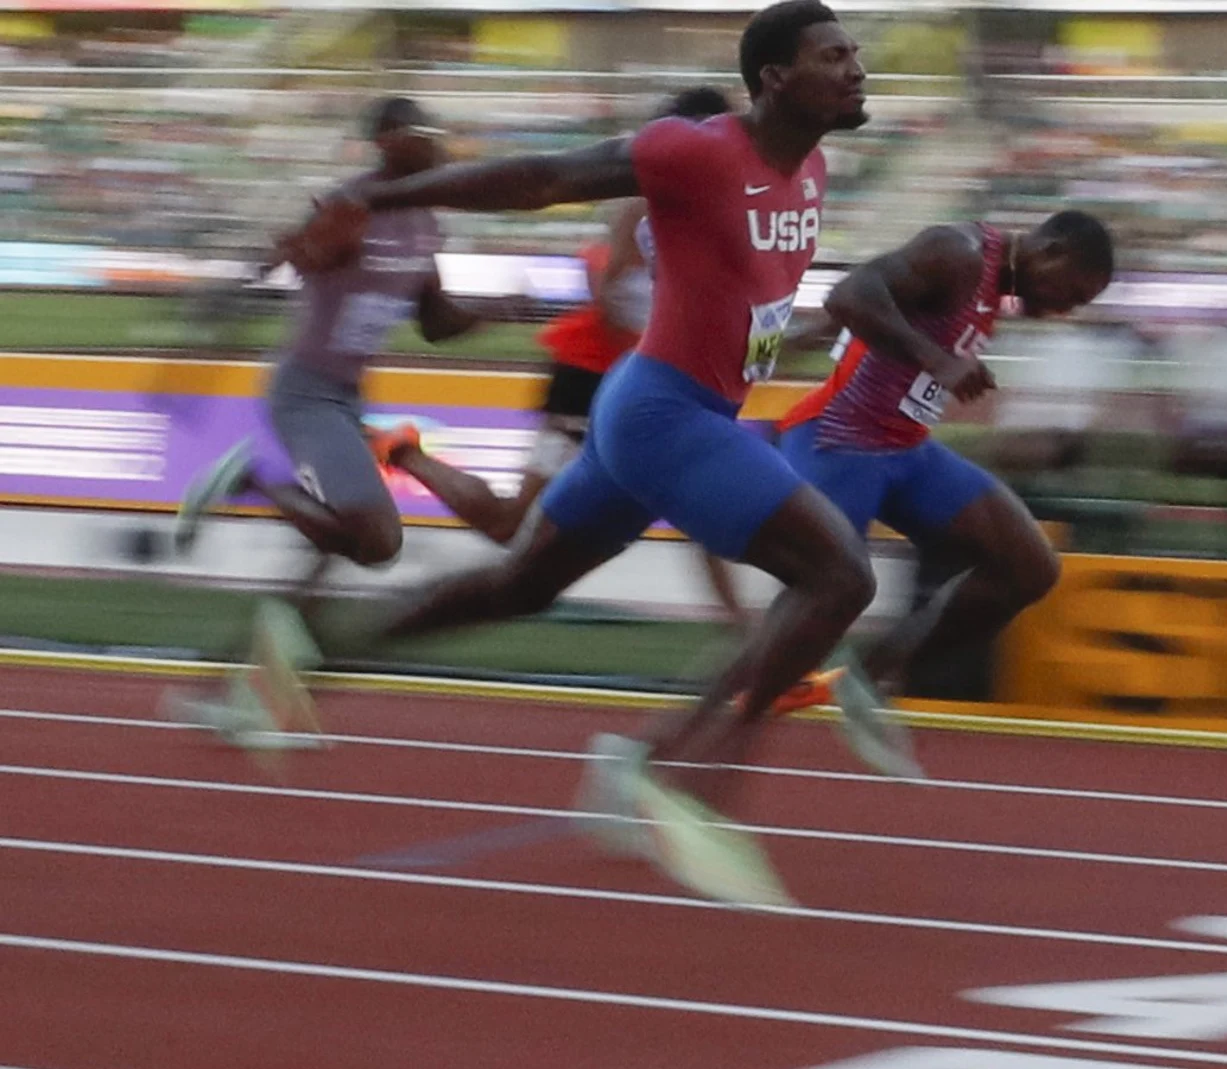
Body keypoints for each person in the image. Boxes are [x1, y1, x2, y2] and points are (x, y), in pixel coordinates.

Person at [283, 1, 896, 906]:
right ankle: (687, 781)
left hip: (664, 413)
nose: (856, 69)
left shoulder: (812, 171)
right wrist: (379, 195)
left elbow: (749, 310)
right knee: (841, 576)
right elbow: (542, 177)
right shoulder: (700, 150)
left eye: (855, 53)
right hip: (664, 416)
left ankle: (324, 654)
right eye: (833, 55)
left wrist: (810, 332)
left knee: (520, 582)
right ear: (775, 77)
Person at [371, 85, 837, 714]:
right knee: (514, 527)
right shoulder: (645, 206)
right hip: (598, 376)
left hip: (653, 391)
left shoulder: (741, 197)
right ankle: (403, 453)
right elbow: (607, 291)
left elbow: (745, 308)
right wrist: (672, 339)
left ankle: (752, 660)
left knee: (544, 572)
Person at [167, 97, 483, 738]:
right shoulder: (353, 203)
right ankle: (249, 479)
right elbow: (298, 254)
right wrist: (238, 289)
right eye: (426, 134)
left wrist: (503, 309)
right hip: (306, 392)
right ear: (390, 141)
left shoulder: (424, 221)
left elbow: (436, 321)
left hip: (347, 398)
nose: (439, 144)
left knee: (320, 563)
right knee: (375, 541)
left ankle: (234, 693)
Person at [773, 211, 1112, 708]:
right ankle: (722, 719)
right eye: (1073, 293)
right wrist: (939, 360)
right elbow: (847, 296)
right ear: (1051, 251)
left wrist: (796, 344)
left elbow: (861, 315)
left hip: (905, 449)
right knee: (823, 602)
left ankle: (865, 677)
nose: (1066, 309)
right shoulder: (959, 251)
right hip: (840, 438)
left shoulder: (994, 283)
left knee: (1032, 567)